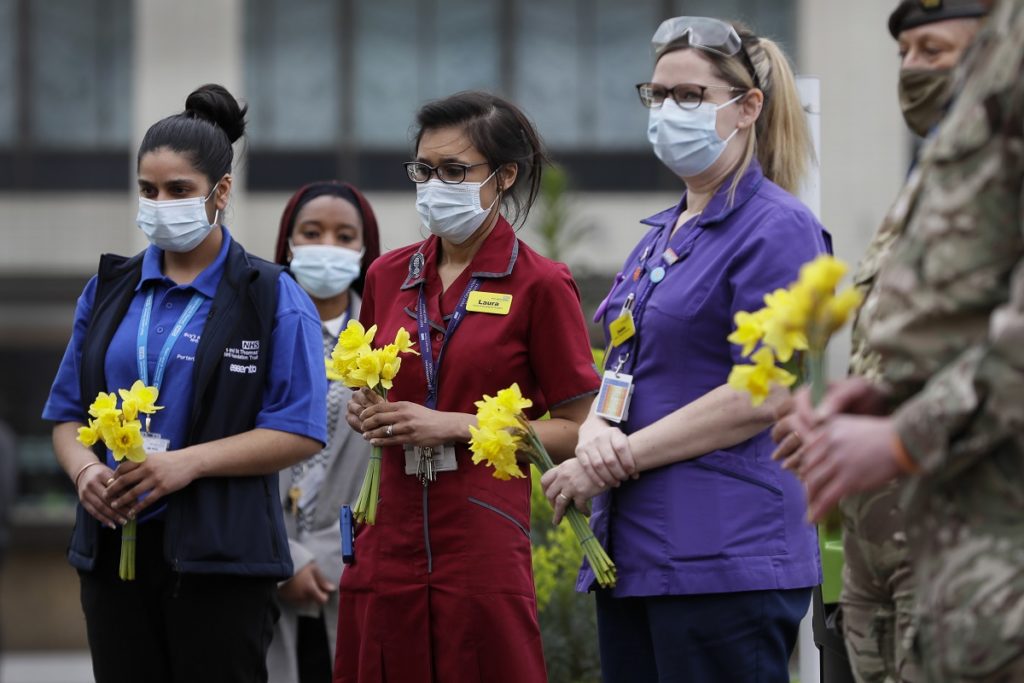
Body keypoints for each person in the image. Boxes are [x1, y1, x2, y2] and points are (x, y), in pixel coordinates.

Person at [540, 16, 830, 682]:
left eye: (690, 96)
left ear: (747, 106)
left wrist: (613, 460)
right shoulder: (659, 237)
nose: (669, 111)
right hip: (639, 556)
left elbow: (766, 387)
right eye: (658, 95)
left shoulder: (778, 228)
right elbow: (624, 366)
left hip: (722, 556)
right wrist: (597, 433)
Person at [41, 84, 328, 683]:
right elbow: (67, 413)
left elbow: (299, 430)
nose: (159, 203)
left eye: (178, 190)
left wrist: (187, 464)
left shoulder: (272, 296)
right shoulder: (109, 288)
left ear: (220, 192)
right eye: (148, 190)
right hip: (112, 555)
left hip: (223, 561)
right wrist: (85, 471)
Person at [334, 91, 600, 683]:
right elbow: (378, 381)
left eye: (454, 171)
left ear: (504, 176)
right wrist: (367, 410)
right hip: (390, 525)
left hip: (480, 534)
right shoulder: (387, 275)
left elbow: (580, 433)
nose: (435, 185)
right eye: (424, 171)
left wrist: (456, 425)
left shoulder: (541, 284)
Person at [793, 0, 1024, 680]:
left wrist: (901, 433)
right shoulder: (945, 167)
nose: (915, 71)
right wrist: (885, 394)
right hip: (933, 539)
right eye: (906, 53)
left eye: (936, 50)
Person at [266, 181, 380, 683]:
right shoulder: (252, 333)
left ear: (365, 250)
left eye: (344, 235)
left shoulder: (389, 340)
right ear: (288, 245)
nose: (327, 247)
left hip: (354, 575)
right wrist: (283, 558)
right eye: (311, 233)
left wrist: (334, 559)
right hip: (264, 567)